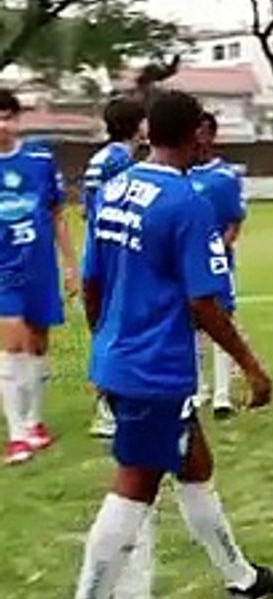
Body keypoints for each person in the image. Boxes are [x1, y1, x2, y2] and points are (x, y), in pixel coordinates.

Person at [61, 89, 273, 599]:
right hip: (155, 370)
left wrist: (105, 344)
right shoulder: (186, 201)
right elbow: (204, 301)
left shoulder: (116, 188)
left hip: (124, 358)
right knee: (134, 487)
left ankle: (242, 578)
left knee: (195, 464)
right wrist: (251, 367)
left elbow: (92, 282)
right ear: (196, 136)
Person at [0, 89, 80, 465]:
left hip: (39, 268)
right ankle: (16, 436)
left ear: (17, 118)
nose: (1, 124)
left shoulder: (39, 159)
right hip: (3, 272)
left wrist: (70, 265)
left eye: (6, 115)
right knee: (11, 346)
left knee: (37, 345)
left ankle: (34, 421)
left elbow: (56, 214)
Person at [84, 97, 148, 440]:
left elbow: (88, 210)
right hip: (118, 258)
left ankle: (111, 403)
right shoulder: (122, 164)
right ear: (136, 125)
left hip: (99, 252)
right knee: (119, 330)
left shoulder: (100, 160)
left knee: (108, 328)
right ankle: (109, 406)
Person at [190, 111, 247, 419]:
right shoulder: (179, 174)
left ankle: (223, 395)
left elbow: (234, 222)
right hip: (185, 266)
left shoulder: (224, 176)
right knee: (193, 327)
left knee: (221, 323)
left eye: (202, 132)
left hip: (217, 264)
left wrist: (214, 252)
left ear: (211, 135)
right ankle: (200, 389)